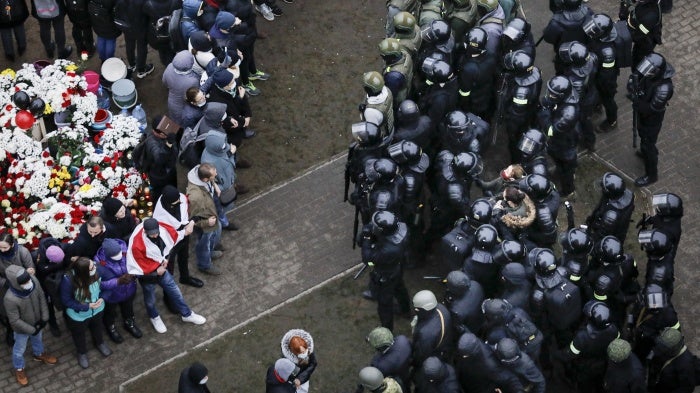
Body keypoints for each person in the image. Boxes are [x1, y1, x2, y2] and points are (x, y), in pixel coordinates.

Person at [127, 218, 205, 333]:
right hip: (148, 277)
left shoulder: (163, 230)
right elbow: (137, 269)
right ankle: (154, 317)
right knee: (150, 300)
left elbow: (172, 240)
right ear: (145, 232)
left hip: (162, 270)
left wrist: (165, 259)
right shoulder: (136, 245)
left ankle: (187, 314)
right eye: (151, 234)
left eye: (156, 232)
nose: (154, 235)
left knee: (176, 292)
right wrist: (156, 271)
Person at [3, 266, 58, 387]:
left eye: (29, 280)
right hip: (22, 330)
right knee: (19, 350)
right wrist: (32, 330)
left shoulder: (33, 280)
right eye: (25, 282)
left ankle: (38, 354)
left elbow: (41, 298)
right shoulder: (9, 298)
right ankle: (19, 369)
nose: (29, 283)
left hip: (37, 322)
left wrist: (44, 318)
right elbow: (14, 320)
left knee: (38, 340)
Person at [627, 52, 674, 186]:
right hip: (643, 115)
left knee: (648, 145)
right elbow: (635, 79)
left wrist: (638, 103)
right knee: (642, 134)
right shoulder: (650, 75)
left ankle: (651, 175)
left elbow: (651, 109)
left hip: (652, 120)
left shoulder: (664, 88)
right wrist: (633, 87)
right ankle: (646, 150)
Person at [60, 257, 111, 369]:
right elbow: (66, 300)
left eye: (93, 265)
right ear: (83, 272)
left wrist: (103, 298)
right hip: (78, 315)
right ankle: (81, 352)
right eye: (91, 268)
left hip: (97, 310)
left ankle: (99, 343)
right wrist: (86, 306)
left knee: (97, 327)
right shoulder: (69, 280)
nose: (95, 268)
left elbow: (108, 285)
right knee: (79, 334)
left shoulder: (98, 271)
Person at [152, 185, 204, 288]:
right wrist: (184, 233)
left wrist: (192, 222)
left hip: (184, 234)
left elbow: (188, 213)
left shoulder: (180, 198)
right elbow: (166, 234)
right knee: (168, 267)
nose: (180, 202)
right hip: (170, 243)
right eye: (176, 203)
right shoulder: (160, 216)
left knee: (184, 256)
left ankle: (184, 277)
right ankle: (168, 293)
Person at [95, 238, 142, 343]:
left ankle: (129, 323)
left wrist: (135, 275)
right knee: (110, 313)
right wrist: (118, 281)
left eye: (119, 252)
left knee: (128, 309)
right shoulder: (99, 264)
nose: (119, 256)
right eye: (115, 255)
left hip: (129, 290)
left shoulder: (127, 252)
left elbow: (138, 266)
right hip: (112, 295)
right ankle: (110, 327)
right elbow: (99, 284)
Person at [200, 128, 243, 230]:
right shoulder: (207, 162)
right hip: (221, 191)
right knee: (220, 210)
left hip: (229, 181)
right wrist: (222, 187)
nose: (226, 146)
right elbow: (210, 182)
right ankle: (225, 224)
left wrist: (230, 154)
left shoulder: (219, 148)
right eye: (223, 144)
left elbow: (226, 160)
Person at [186, 163, 224, 275]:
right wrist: (208, 222)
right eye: (213, 175)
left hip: (211, 215)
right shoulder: (196, 198)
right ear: (205, 179)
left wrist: (214, 184)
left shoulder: (200, 171)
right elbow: (193, 220)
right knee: (204, 244)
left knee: (216, 233)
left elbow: (209, 176)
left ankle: (210, 252)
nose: (216, 174)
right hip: (206, 224)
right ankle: (204, 265)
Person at [34, 239, 67, 337]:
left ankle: (67, 316)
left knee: (64, 300)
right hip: (46, 286)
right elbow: (37, 274)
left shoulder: (63, 248)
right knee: (49, 306)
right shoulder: (36, 257)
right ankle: (53, 324)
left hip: (59, 281)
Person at [647, 327, 696, 393]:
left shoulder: (686, 365)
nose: (661, 349)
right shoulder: (665, 347)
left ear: (673, 349)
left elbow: (686, 388)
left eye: (664, 348)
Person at [366, 327, 412, 393]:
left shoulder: (379, 364)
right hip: (406, 374)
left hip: (396, 383)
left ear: (378, 348)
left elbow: (380, 380)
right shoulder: (403, 339)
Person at [145, 115, 179, 202]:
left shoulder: (167, 134)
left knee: (173, 188)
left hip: (170, 170)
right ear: (159, 133)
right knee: (161, 195)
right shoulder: (151, 142)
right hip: (160, 176)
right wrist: (168, 145)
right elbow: (159, 159)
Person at [163, 50, 201, 126]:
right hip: (183, 106)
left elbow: (164, 82)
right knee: (182, 124)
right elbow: (193, 96)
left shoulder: (170, 66)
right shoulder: (192, 81)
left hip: (171, 101)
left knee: (174, 120)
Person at [281, 329, 317, 393]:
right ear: (295, 352)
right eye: (302, 352)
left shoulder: (309, 350)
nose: (305, 353)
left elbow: (313, 363)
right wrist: (293, 380)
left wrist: (300, 379)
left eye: (305, 349)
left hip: (303, 380)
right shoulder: (288, 359)